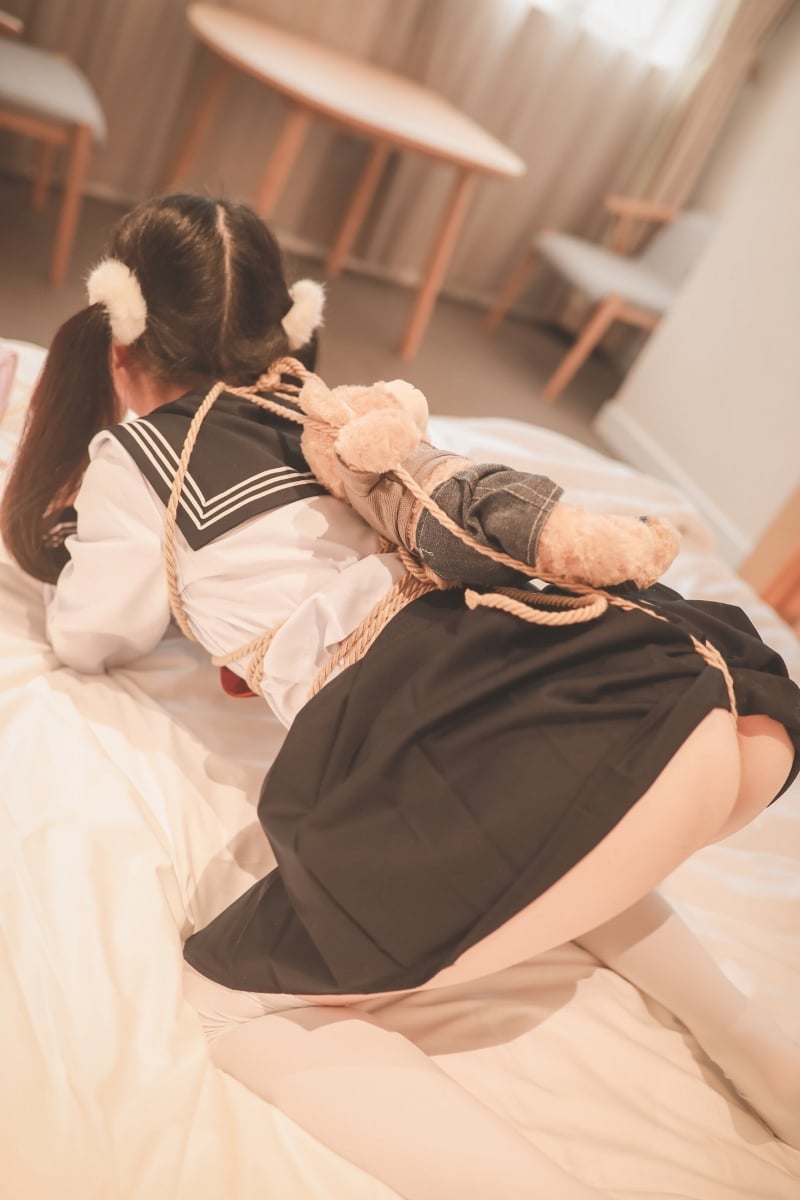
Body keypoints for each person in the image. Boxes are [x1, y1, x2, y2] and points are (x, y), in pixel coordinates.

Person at [2, 192, 799, 1198]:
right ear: (284, 326)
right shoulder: (337, 416)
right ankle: (760, 1052)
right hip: (687, 691)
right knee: (569, 827)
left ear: (120, 337)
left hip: (511, 729)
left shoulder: (138, 459)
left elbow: (89, 638)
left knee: (232, 1001)